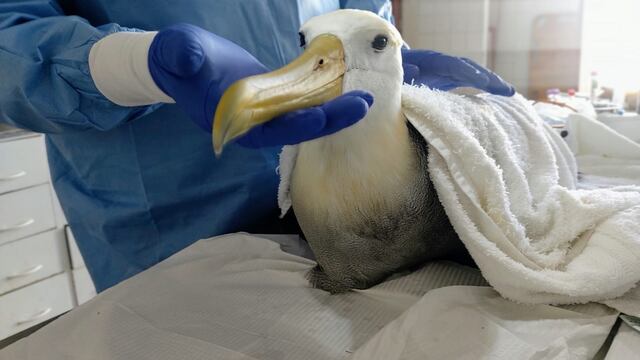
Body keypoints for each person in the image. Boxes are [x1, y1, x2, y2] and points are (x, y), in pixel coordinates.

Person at [0, 0, 514, 292]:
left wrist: (381, 57)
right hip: (168, 225)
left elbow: (360, 11)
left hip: (343, 215)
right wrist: (141, 64)